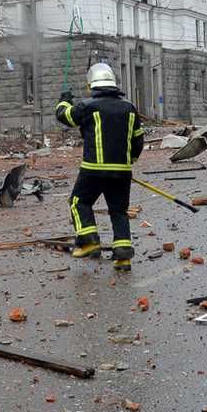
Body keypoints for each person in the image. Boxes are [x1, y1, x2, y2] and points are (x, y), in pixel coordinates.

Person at [55, 63, 145, 271]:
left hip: (93, 169)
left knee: (79, 202)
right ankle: (123, 257)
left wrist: (64, 100)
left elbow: (65, 116)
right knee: (119, 211)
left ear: (92, 87)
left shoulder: (88, 106)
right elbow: (138, 140)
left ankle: (88, 241)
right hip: (122, 171)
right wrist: (129, 160)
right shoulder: (129, 108)